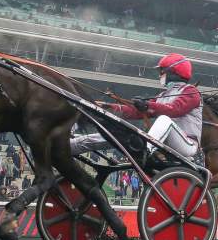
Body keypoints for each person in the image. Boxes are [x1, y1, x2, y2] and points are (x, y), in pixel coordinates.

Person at [70, 53, 202, 161]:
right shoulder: (163, 95)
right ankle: (70, 146)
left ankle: (145, 151)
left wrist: (147, 105)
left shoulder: (191, 91)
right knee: (115, 133)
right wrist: (107, 107)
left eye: (162, 71)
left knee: (164, 120)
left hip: (187, 145)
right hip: (162, 143)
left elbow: (174, 109)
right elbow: (136, 112)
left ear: (173, 71)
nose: (159, 75)